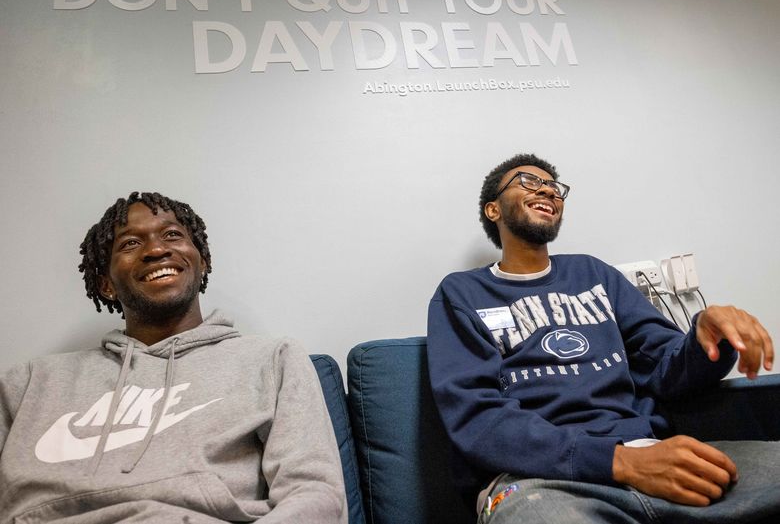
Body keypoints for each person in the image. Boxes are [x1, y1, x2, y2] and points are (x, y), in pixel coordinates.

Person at [427, 153, 779, 524]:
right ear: (493, 210)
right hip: (539, 483)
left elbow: (666, 367)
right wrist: (618, 462)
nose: (547, 188)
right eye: (528, 181)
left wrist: (708, 337)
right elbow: (479, 420)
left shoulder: (593, 274)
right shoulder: (462, 293)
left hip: (653, 457)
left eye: (554, 185)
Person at [0, 192, 347, 523]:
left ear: (202, 261)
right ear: (105, 283)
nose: (155, 249)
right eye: (130, 244)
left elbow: (315, 495)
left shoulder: (271, 359)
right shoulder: (28, 383)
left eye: (172, 235)